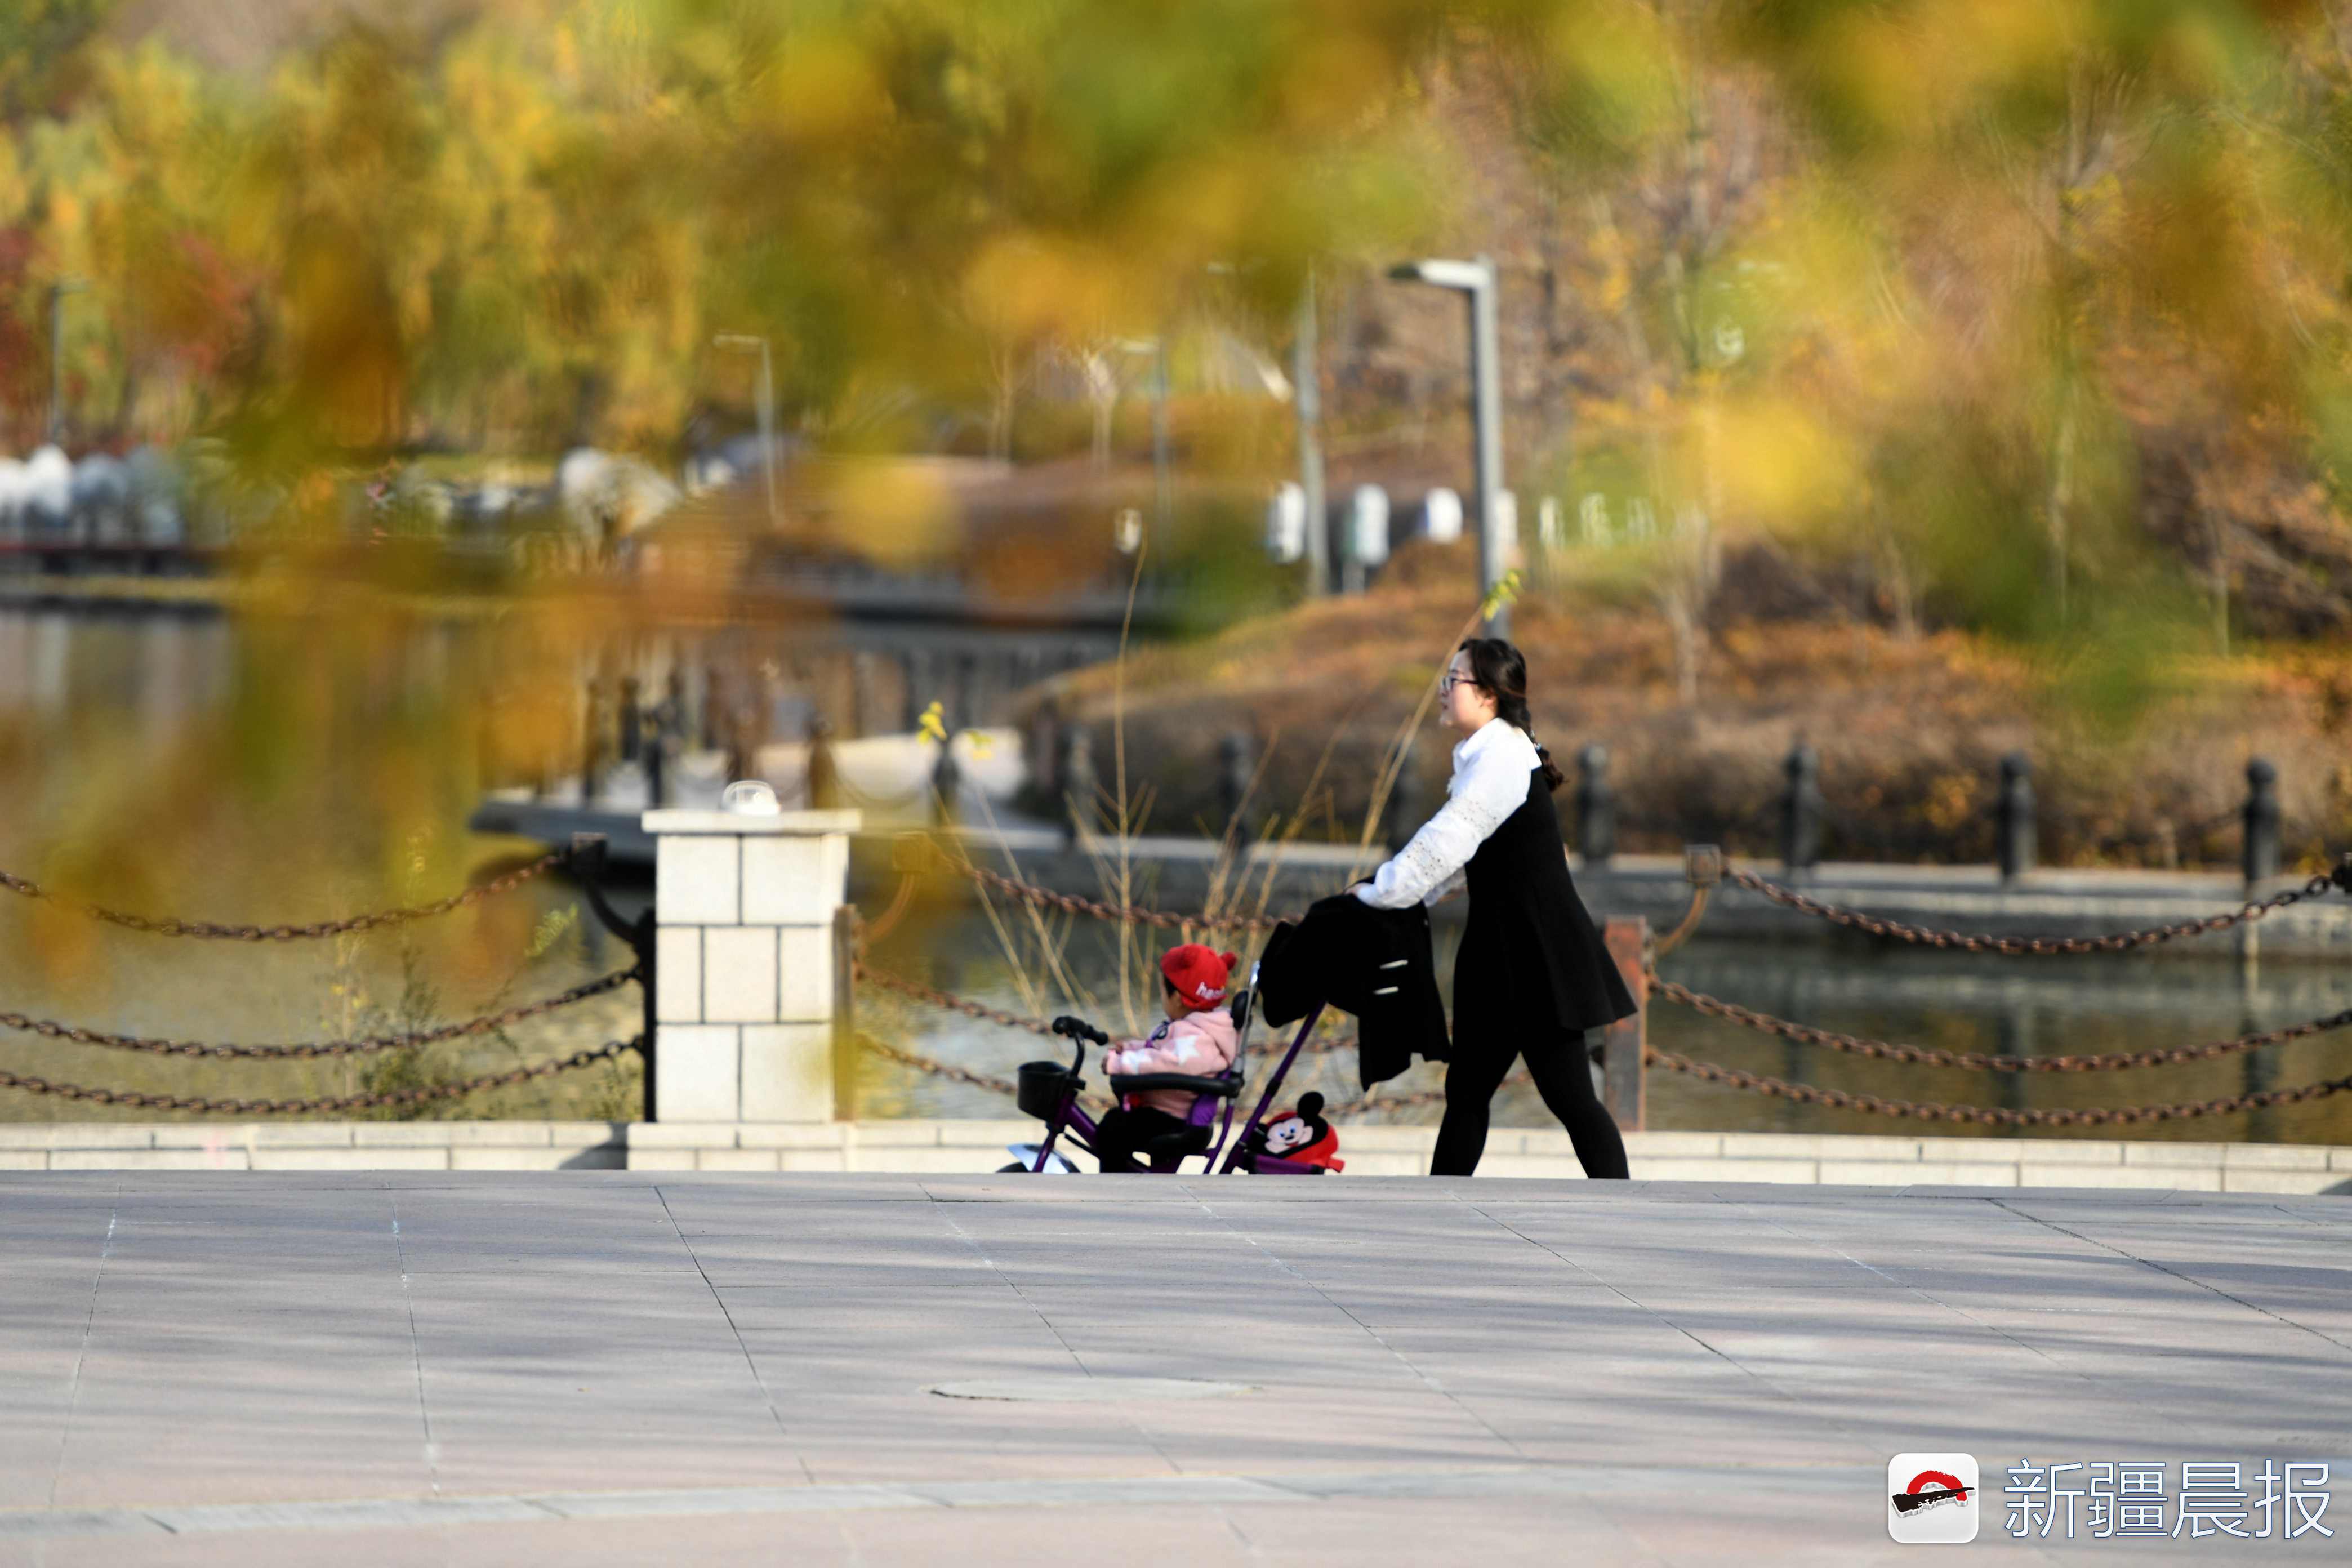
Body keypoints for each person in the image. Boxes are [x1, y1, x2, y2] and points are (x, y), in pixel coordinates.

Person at [1353, 638, 1637, 1178]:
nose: (1443, 690)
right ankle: (1440, 1205)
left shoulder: (1502, 757)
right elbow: (1460, 862)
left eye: (1453, 680)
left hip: (1536, 957)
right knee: (1467, 1093)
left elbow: (1449, 839)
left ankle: (1625, 1208)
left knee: (1570, 1099)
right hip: (1499, 954)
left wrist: (1379, 892)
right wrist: (1384, 892)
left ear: (1487, 695)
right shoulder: (1487, 755)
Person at [1091, 944, 1242, 1172]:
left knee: (1112, 1129)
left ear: (1178, 998)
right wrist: (1131, 1048)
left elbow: (1166, 1062)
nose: (1161, 998)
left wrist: (1119, 1064)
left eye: (1162, 992)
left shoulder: (1197, 1037)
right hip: (1169, 1114)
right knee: (1115, 1123)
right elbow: (1162, 1050)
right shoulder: (1194, 1028)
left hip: (1174, 1120)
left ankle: (1116, 1188)